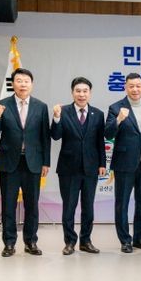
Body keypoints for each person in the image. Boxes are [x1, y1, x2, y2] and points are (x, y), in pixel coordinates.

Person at [0, 68, 51, 257]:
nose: (23, 84)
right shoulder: (2, 104)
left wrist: (46, 162)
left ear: (32, 84)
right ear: (13, 84)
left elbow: (45, 137)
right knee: (8, 204)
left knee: (32, 205)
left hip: (33, 162)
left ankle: (31, 242)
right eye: (19, 81)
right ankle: (9, 243)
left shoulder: (41, 106)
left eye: (26, 81)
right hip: (9, 163)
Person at [105, 73, 141, 253]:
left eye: (138, 86)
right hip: (124, 163)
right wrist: (118, 119)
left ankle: (140, 238)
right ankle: (125, 240)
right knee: (122, 203)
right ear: (125, 87)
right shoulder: (116, 108)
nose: (135, 89)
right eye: (131, 86)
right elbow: (108, 133)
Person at [50, 77, 106, 255]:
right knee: (69, 207)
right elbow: (55, 135)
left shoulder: (98, 114)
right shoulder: (63, 111)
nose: (81, 94)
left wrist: (102, 163)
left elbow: (100, 141)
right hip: (68, 168)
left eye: (85, 91)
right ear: (72, 92)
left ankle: (86, 241)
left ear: (90, 93)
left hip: (91, 168)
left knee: (88, 207)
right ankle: (69, 242)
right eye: (78, 91)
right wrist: (56, 118)